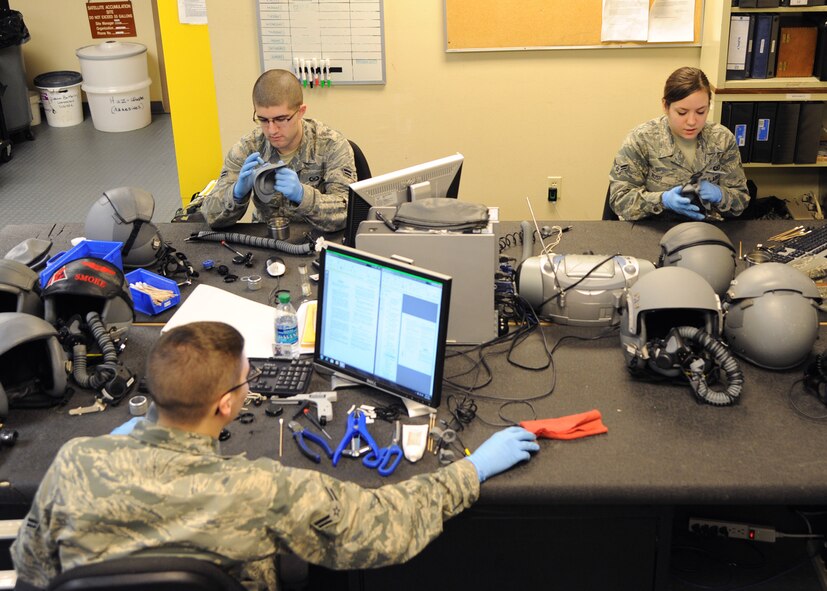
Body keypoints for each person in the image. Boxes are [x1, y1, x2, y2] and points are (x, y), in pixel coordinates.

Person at [11, 321, 539, 590]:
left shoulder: (74, 462)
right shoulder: (261, 491)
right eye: (247, 380)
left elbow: (33, 573)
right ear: (226, 405)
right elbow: (387, 525)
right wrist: (472, 467)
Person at [202, 69, 356, 232]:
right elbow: (210, 215)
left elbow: (349, 212)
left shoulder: (331, 145)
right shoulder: (249, 148)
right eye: (263, 120)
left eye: (281, 119)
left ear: (300, 112)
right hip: (266, 240)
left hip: (316, 241)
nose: (272, 130)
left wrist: (304, 196)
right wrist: (236, 193)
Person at [609, 66, 750, 221]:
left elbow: (741, 200)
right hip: (655, 230)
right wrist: (662, 200)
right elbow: (620, 200)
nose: (692, 122)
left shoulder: (722, 139)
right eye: (682, 113)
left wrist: (720, 195)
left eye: (701, 112)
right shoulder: (642, 140)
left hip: (708, 229)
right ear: (665, 106)